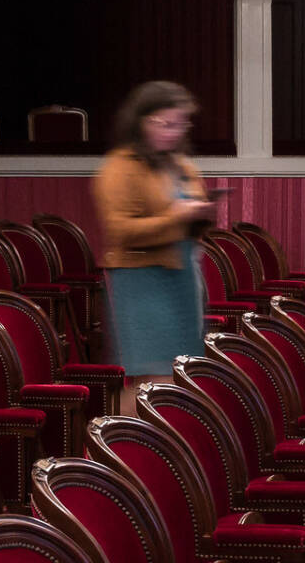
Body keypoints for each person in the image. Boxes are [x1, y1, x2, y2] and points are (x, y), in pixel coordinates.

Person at [93, 81, 217, 393]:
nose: (174, 132)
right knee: (153, 381)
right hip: (141, 281)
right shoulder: (120, 167)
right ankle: (116, 427)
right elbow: (122, 231)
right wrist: (178, 216)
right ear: (141, 121)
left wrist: (200, 215)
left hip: (181, 277)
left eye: (181, 123)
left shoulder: (181, 164)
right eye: (165, 123)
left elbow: (189, 219)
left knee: (184, 375)